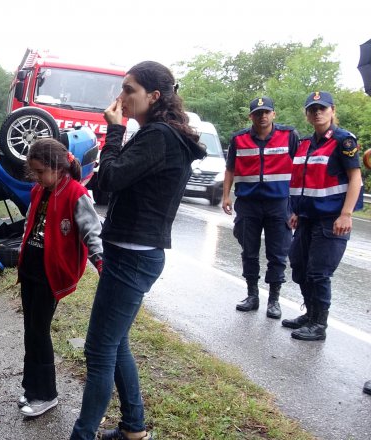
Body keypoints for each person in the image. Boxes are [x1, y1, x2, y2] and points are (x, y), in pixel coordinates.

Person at [70, 61, 205, 440]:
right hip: (132, 251)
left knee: (98, 350)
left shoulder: (159, 136)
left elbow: (106, 182)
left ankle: (82, 435)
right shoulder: (158, 134)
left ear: (154, 95)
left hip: (133, 254)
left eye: (129, 89)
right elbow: (111, 186)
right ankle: (134, 429)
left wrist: (114, 130)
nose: (122, 97)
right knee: (116, 341)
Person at [16, 138, 103, 417]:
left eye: (41, 172)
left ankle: (46, 395)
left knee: (39, 332)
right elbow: (31, 223)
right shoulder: (39, 191)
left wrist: (102, 264)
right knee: (31, 331)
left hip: (50, 274)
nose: (38, 178)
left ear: (57, 167)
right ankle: (32, 389)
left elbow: (92, 232)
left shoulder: (76, 193)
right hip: (30, 269)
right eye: (35, 173)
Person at [282, 91, 363, 341]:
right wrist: (296, 211)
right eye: (312, 109)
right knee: (298, 266)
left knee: (318, 272)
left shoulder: (343, 141)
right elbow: (301, 182)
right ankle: (309, 314)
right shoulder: (305, 144)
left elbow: (355, 179)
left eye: (322, 108)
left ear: (332, 110)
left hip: (332, 220)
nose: (317, 112)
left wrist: (346, 214)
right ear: (307, 114)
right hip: (307, 217)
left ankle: (319, 324)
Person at [222, 97, 299, 319]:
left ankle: (274, 299)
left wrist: (296, 206)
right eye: (258, 113)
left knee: (278, 253)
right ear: (251, 117)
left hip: (279, 204)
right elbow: (230, 169)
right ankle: (252, 295)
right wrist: (226, 196)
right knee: (249, 251)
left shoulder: (289, 136)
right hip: (248, 204)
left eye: (266, 112)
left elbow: (299, 169)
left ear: (274, 114)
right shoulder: (239, 139)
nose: (262, 116)